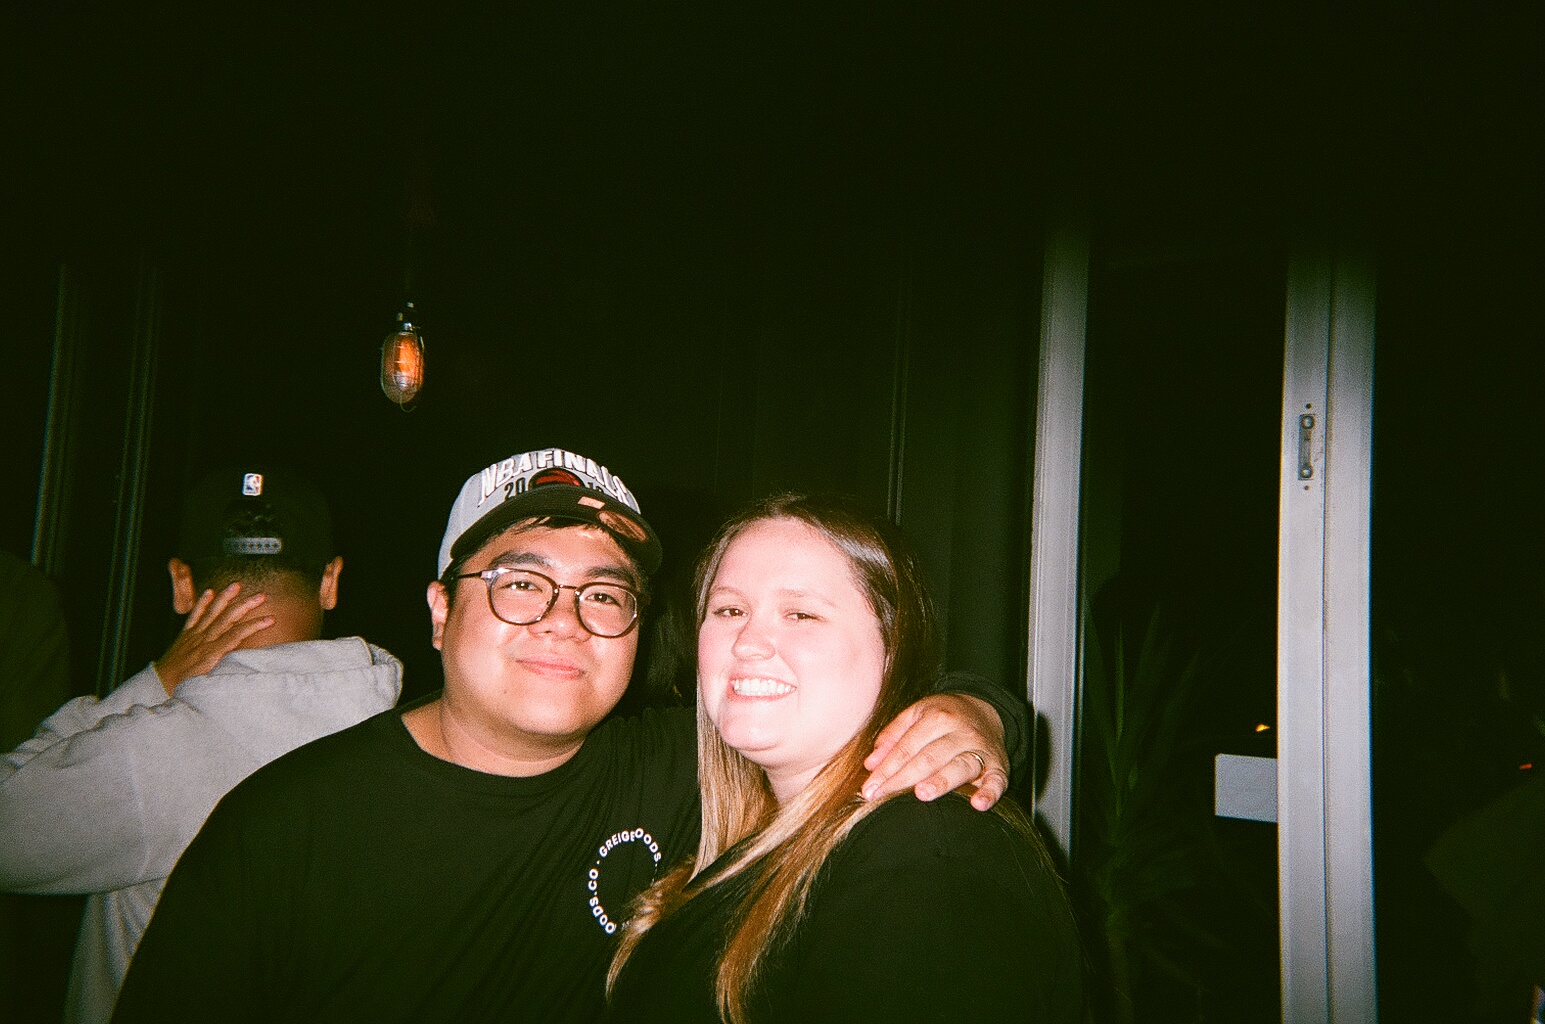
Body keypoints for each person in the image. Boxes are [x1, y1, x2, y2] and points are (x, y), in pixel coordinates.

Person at [112, 447, 1026, 1024]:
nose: (563, 620)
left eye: (603, 593)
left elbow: (847, 699)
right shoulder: (282, 826)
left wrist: (979, 715)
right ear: (439, 611)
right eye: (519, 583)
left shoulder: (690, 766)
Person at [606, 493, 1082, 1023]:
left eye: (801, 613)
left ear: (892, 649)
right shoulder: (756, 827)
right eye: (730, 610)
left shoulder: (924, 857)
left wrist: (984, 712)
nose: (747, 642)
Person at [0, 468, 403, 1024]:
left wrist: (157, 680)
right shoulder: (400, 730)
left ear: (182, 584)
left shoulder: (154, 754)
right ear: (330, 580)